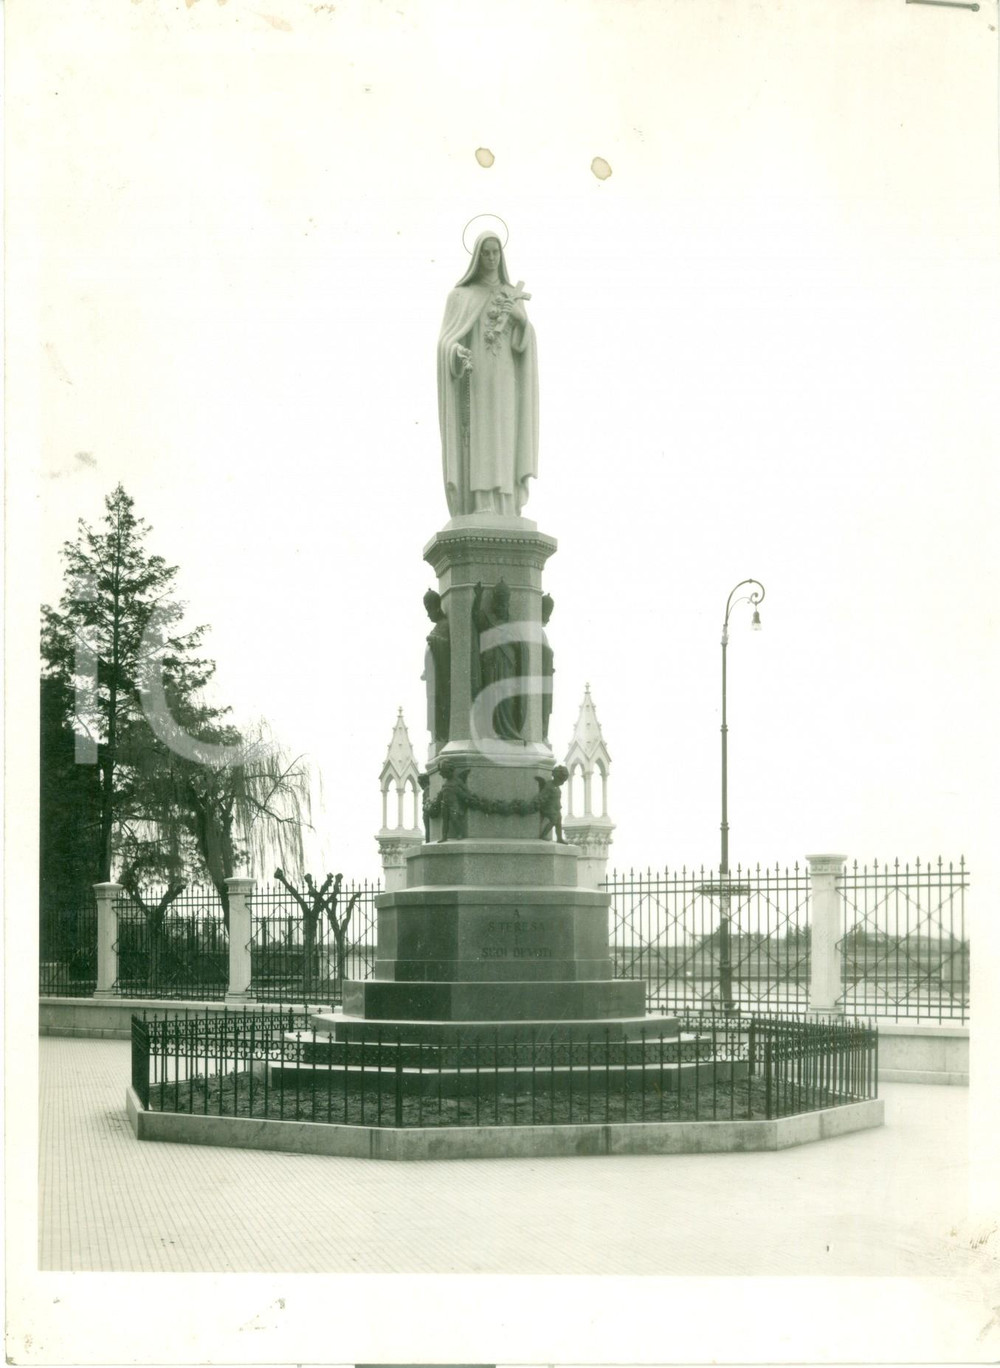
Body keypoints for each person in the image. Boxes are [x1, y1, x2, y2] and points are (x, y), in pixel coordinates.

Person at [437, 231, 539, 517]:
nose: (492, 258)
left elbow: (523, 344)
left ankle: (505, 505)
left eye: (496, 252)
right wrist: (455, 352)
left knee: (505, 434)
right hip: (476, 378)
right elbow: (447, 340)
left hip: (506, 379)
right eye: (486, 252)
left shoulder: (511, 294)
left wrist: (521, 321)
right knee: (482, 435)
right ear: (477, 256)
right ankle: (482, 500)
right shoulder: (461, 297)